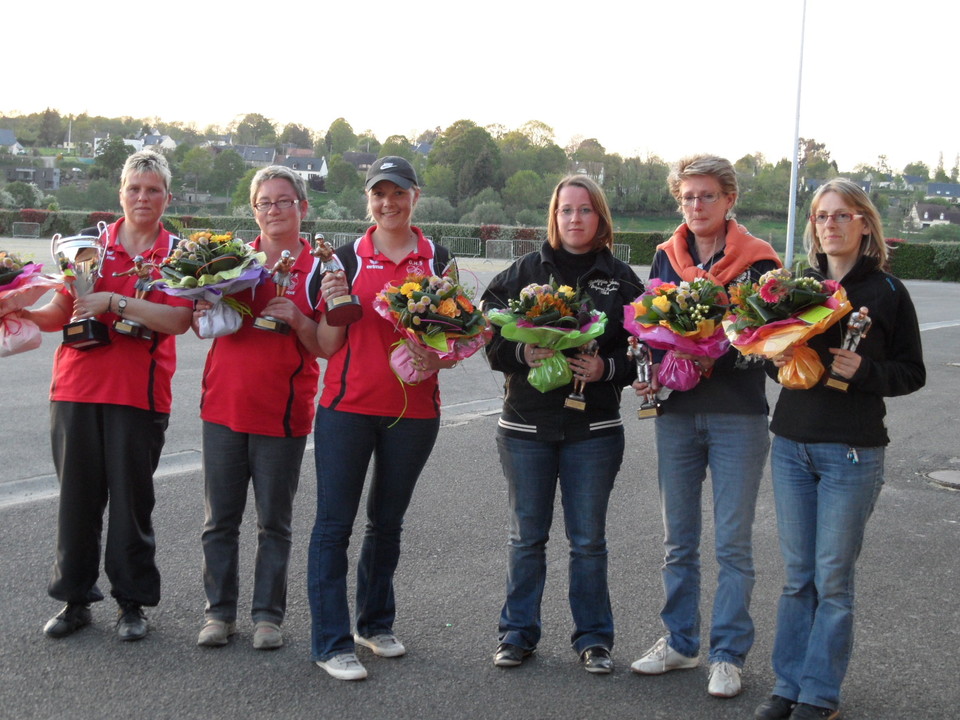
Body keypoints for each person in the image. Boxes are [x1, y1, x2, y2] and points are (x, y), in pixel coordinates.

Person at [754, 179, 925, 720]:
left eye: (841, 216)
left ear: (864, 224)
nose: (829, 225)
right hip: (791, 446)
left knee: (832, 579)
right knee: (797, 576)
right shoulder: (793, 287)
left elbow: (912, 371)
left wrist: (867, 371)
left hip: (852, 452)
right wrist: (774, 358)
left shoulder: (888, 293)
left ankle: (819, 695)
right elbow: (764, 348)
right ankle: (787, 686)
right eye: (821, 217)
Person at [21, 151, 193, 641]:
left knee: (131, 505)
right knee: (76, 501)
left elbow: (178, 320)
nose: (143, 197)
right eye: (134, 188)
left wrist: (115, 302)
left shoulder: (178, 253)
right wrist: (18, 310)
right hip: (76, 388)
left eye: (153, 189)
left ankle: (131, 602)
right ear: (120, 193)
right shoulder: (88, 245)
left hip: (139, 396)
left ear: (167, 197)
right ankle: (74, 600)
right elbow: (60, 310)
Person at [631, 155, 782, 697]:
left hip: (738, 415)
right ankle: (678, 641)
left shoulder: (760, 263)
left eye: (708, 196)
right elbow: (649, 329)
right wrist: (648, 374)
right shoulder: (665, 257)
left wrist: (715, 355)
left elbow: (769, 344)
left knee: (733, 544)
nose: (697, 206)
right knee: (678, 540)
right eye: (689, 197)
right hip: (675, 413)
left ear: (729, 200)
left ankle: (727, 653)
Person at [480, 175, 642, 674]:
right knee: (527, 537)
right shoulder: (521, 273)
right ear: (554, 216)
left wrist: (605, 369)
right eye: (566, 210)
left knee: (588, 540)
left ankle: (593, 639)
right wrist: (519, 350)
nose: (575, 219)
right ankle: (517, 634)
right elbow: (485, 336)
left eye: (585, 210)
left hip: (593, 431)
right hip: (526, 427)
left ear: (601, 218)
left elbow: (642, 351)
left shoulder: (622, 279)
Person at [307, 156, 457, 681]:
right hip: (347, 409)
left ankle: (374, 624)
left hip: (415, 412)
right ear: (367, 200)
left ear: (416, 196)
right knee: (333, 527)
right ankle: (330, 642)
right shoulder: (343, 258)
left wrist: (439, 356)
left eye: (398, 193)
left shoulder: (438, 257)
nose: (388, 203)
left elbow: (456, 336)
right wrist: (328, 310)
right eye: (379, 194)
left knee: (387, 524)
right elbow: (328, 344)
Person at [193, 166, 341, 650]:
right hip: (224, 406)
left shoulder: (324, 269)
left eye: (284, 201)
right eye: (264, 203)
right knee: (220, 520)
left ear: (303, 206)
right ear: (253, 210)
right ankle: (219, 613)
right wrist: (204, 303)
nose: (274, 211)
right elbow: (202, 323)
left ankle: (267, 617)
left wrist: (298, 318)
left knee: (273, 523)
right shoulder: (232, 261)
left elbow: (325, 347)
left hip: (283, 412)